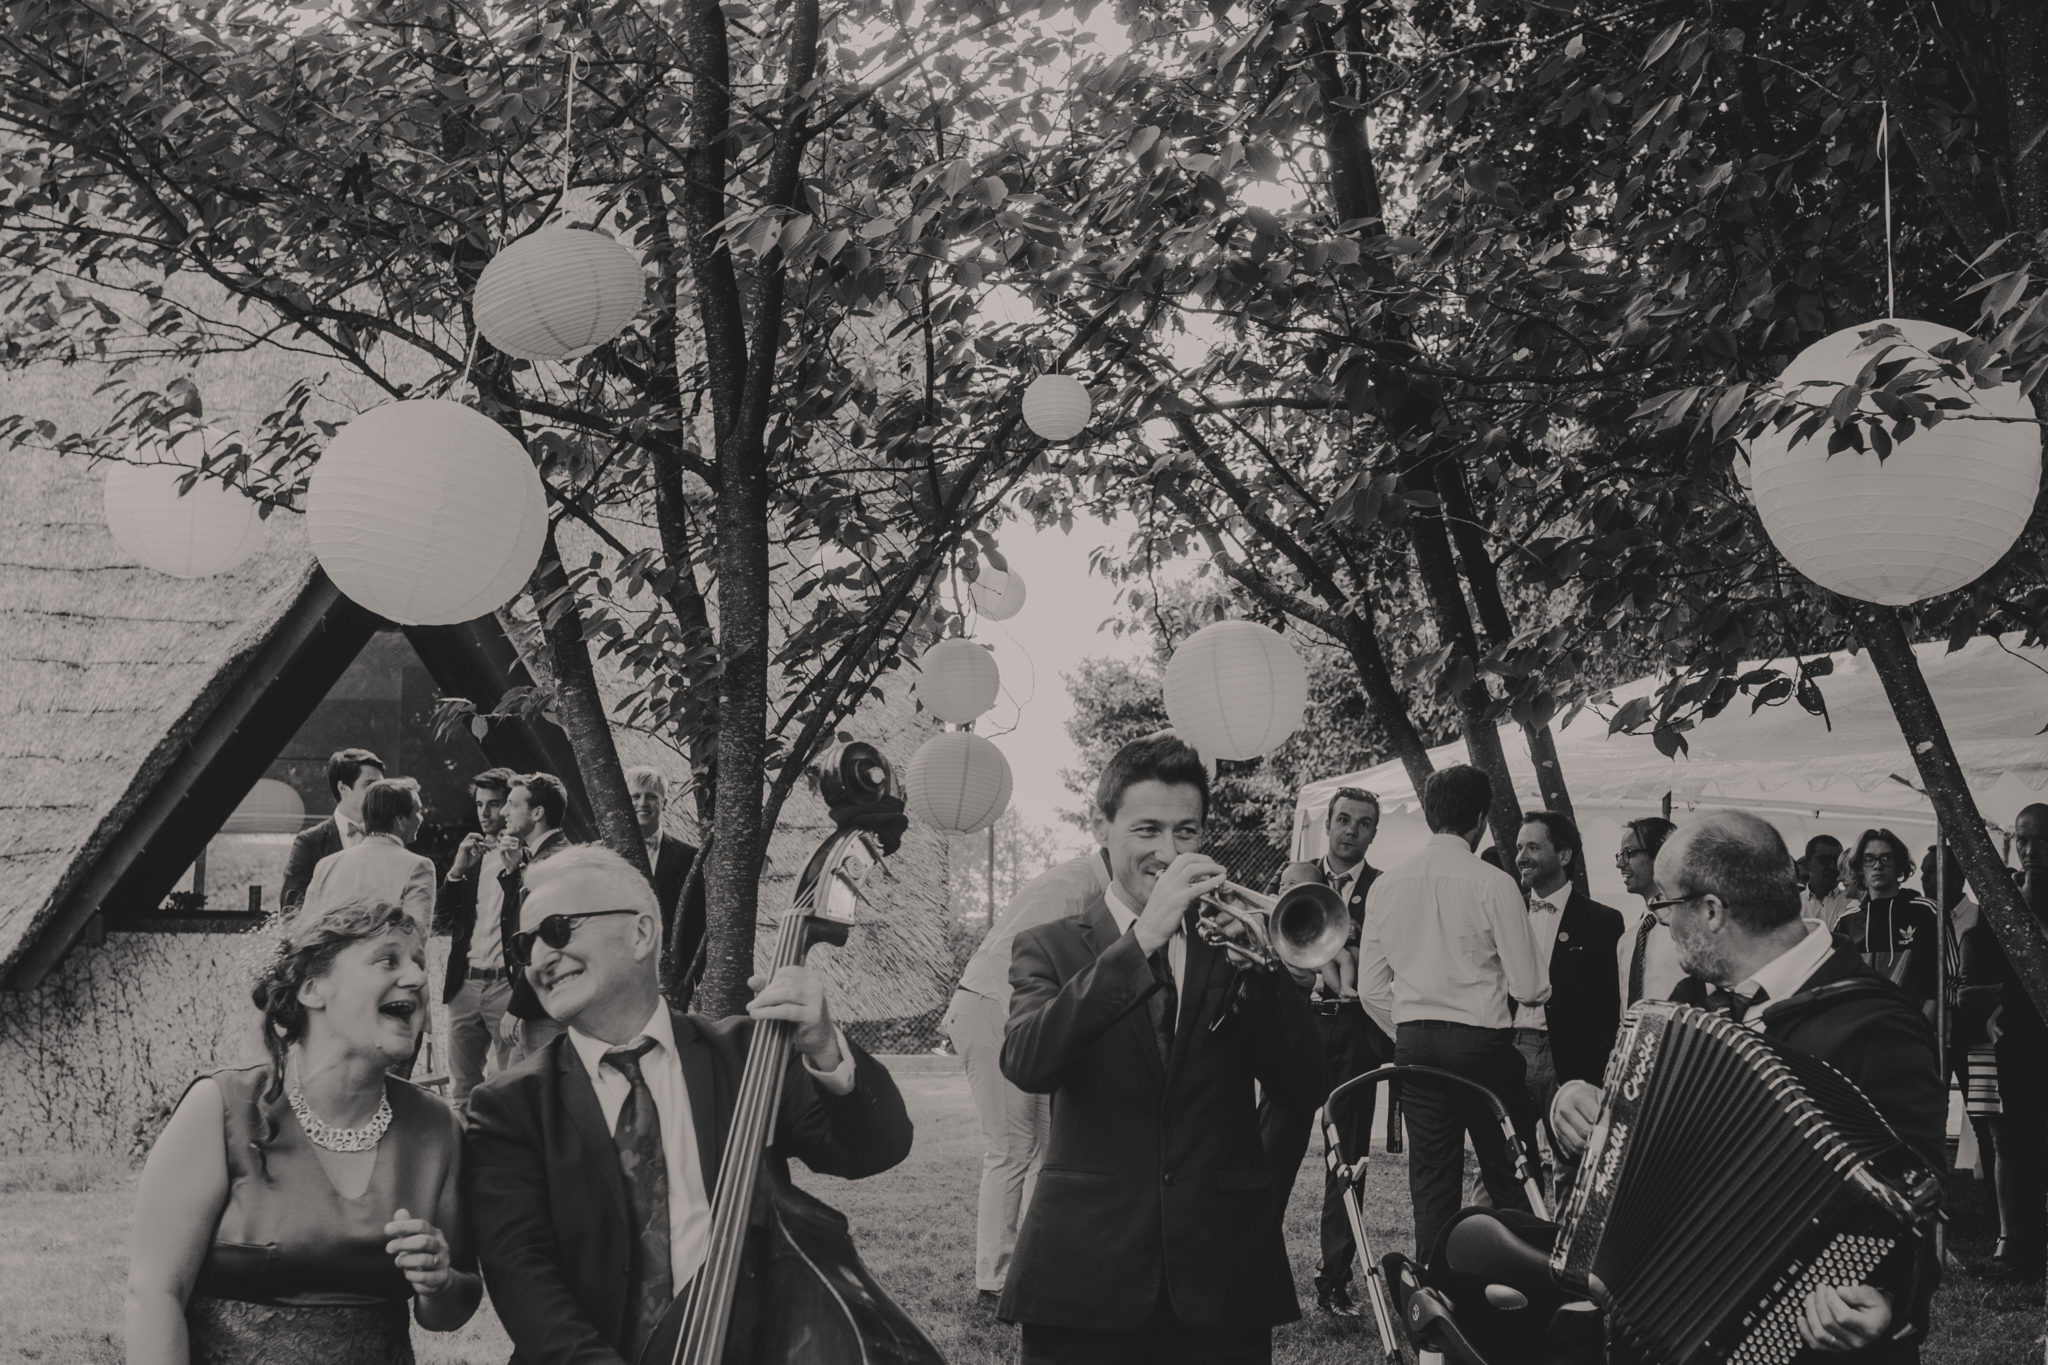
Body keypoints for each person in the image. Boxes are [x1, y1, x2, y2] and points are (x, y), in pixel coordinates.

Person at [463, 845, 914, 1364]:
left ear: (641, 934)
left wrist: (826, 1047)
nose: (540, 956)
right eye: (526, 944)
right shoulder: (507, 1106)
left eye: (558, 929)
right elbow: (523, 1277)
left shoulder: (748, 1054)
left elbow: (875, 1149)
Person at [1551, 811, 1946, 1362]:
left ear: (1711, 911)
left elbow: (1916, 1188)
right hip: (1673, 1308)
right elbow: (1637, 1139)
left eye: (1664, 905)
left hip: (1798, 1336)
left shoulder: (1873, 1023)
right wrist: (1575, 1098)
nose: (1661, 924)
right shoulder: (1691, 1004)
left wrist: (1889, 1298)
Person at [999, 734, 1328, 1364]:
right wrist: (1141, 942)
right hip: (1084, 1275)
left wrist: (1270, 978)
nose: (1168, 852)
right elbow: (1028, 1062)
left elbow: (1302, 1087)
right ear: (1102, 826)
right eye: (1147, 829)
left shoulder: (1236, 944)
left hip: (1221, 1273)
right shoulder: (1048, 947)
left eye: (1187, 832)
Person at [126, 897, 480, 1363]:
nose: (417, 978)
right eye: (388, 960)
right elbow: (155, 1292)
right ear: (313, 988)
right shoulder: (222, 1108)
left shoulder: (437, 1127)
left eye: (419, 963)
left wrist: (439, 1280)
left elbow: (450, 1311)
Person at [1357, 764, 1548, 1263]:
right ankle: (1517, 1293)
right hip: (1483, 1047)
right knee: (1510, 1174)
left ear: (1429, 814)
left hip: (1416, 1047)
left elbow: (1371, 989)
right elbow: (1530, 987)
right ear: (1481, 818)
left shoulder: (1387, 885)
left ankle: (1436, 1309)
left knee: (1432, 1183)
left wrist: (1410, 1031)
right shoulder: (1494, 883)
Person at [945, 847, 1112, 1310]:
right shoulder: (1072, 887)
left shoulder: (1091, 884)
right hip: (993, 1009)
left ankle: (1040, 1264)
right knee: (1011, 1149)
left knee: (1050, 1146)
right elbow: (1029, 963)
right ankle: (994, 1282)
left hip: (1019, 1019)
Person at [1259, 785, 1393, 1318]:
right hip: (1294, 1031)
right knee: (1271, 1152)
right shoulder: (1294, 878)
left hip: (1353, 1032)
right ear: (1328, 824)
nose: (1351, 831)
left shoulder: (1384, 888)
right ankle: (1252, 1267)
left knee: (1349, 1162)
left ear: (1373, 833)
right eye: (1343, 819)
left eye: (1363, 823)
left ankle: (1335, 1278)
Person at [1511, 812, 1624, 1137]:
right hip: (1509, 1050)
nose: (1521, 857)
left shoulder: (1603, 921)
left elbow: (1607, 1003)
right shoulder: (1504, 911)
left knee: (1572, 1163)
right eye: (1519, 847)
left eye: (1532, 847)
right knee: (1503, 1162)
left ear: (1563, 855)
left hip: (1570, 1057)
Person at [1990, 802, 2048, 1280]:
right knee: (2021, 1140)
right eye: (2022, 839)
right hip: (2020, 1037)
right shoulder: (2007, 897)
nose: (2029, 850)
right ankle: (2020, 1245)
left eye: (2040, 839)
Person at [436, 768, 516, 1111]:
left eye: (494, 804)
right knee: (462, 1091)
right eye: (480, 804)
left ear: (510, 806)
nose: (484, 813)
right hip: (464, 985)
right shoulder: (472, 855)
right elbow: (443, 920)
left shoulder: (526, 857)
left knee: (511, 1090)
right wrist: (456, 871)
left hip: (507, 986)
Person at [499, 772, 575, 1061]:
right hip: (540, 1002)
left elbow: (539, 943)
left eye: (512, 805)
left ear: (538, 812)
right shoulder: (542, 856)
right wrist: (511, 873)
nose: (504, 812)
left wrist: (516, 1008)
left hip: (548, 1007)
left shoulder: (551, 862)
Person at [304, 779, 438, 932]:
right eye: (418, 811)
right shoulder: (418, 867)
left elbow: (306, 932)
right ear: (399, 819)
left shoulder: (326, 865)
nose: (421, 819)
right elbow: (415, 940)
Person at [1834, 829, 1940, 1020]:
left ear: (1899, 865)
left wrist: (1921, 1029)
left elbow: (1942, 983)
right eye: (1869, 859)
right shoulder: (1846, 923)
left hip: (1913, 1030)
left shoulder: (1927, 912)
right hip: (1862, 1031)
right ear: (1859, 868)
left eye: (1886, 858)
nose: (1877, 865)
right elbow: (1837, 985)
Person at [624, 766, 707, 980]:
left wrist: (692, 981)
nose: (642, 803)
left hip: (668, 974)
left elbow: (696, 924)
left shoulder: (688, 856)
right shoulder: (605, 852)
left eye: (651, 796)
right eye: (635, 796)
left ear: (665, 803)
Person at [281, 748, 385, 913]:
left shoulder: (388, 837)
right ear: (343, 789)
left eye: (381, 786)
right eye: (369, 785)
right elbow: (291, 910)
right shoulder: (309, 842)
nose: (380, 793)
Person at [1617, 816, 1681, 1006]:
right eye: (1620, 855)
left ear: (1662, 855)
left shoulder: (1689, 931)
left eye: (1629, 853)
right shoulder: (1627, 941)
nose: (1620, 864)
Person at [1802, 834, 1851, 930]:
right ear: (1808, 863)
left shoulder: (1851, 903)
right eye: (1824, 860)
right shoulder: (1794, 907)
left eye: (1837, 861)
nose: (1833, 866)